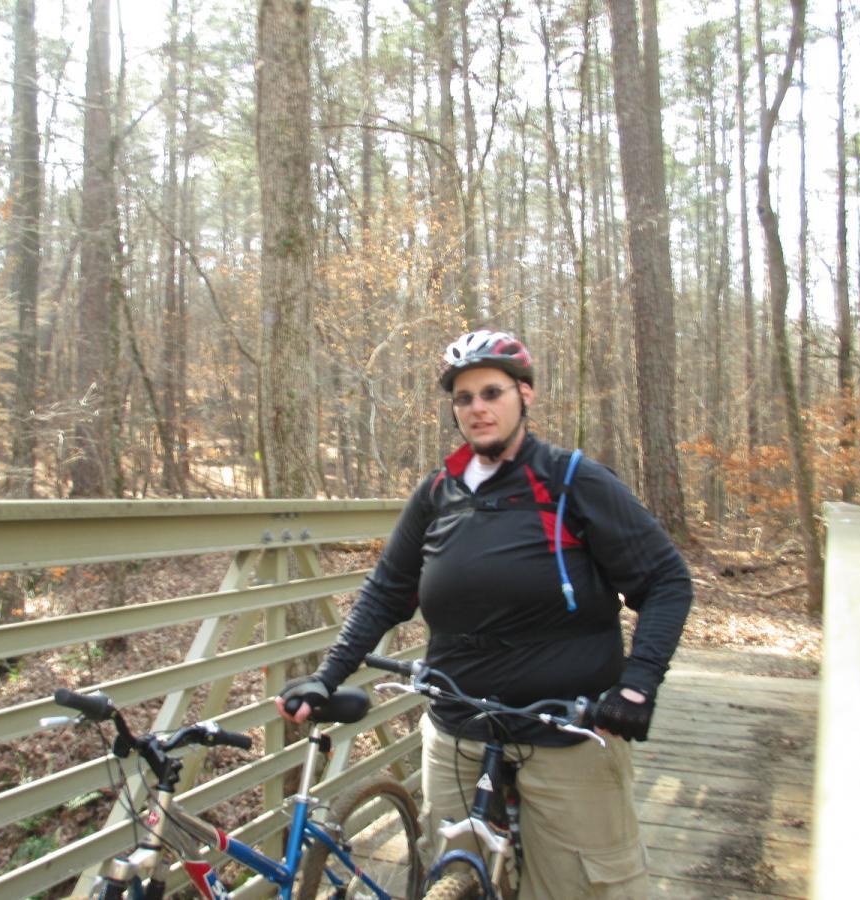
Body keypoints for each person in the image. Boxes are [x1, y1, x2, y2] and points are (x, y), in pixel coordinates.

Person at [276, 330, 692, 899]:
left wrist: (639, 686)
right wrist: (328, 675)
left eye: (491, 392)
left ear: (525, 395)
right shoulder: (437, 493)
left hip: (565, 729)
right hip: (458, 726)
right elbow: (385, 593)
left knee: (588, 887)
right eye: (464, 398)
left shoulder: (573, 482)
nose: (478, 408)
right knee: (449, 874)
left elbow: (665, 581)